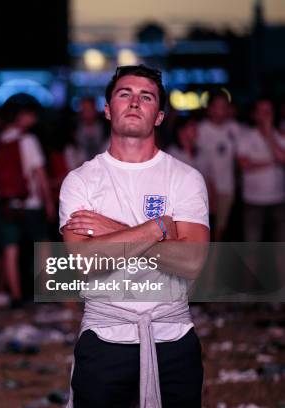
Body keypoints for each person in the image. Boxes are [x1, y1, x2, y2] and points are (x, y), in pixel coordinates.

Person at [60, 65, 209, 407]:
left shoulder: (184, 178)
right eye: (124, 94)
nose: (134, 102)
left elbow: (191, 262)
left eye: (146, 97)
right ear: (108, 109)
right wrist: (159, 229)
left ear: (159, 116)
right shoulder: (81, 181)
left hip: (172, 336)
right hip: (105, 335)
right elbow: (84, 262)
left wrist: (111, 231)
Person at [0, 104, 55, 307]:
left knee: (10, 249)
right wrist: (48, 202)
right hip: (30, 202)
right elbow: (40, 174)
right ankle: (46, 291)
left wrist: (2, 190)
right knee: (43, 245)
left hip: (5, 204)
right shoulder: (28, 141)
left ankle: (16, 296)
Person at [236, 98, 285, 242]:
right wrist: (272, 162)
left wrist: (269, 133)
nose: (266, 115)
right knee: (252, 249)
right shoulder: (245, 136)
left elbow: (282, 158)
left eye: (269, 111)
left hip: (279, 200)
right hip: (253, 201)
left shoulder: (280, 136)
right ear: (254, 114)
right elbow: (244, 165)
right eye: (262, 111)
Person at [196, 91, 240, 241]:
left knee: (220, 231)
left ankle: (214, 263)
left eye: (224, 106)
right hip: (204, 189)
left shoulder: (234, 128)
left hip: (227, 188)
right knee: (202, 231)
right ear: (210, 108)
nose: (221, 110)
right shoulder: (200, 129)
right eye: (217, 106)